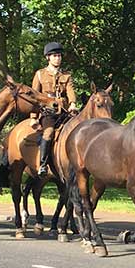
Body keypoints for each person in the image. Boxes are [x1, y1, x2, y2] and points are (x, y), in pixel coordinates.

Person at [30, 42, 77, 175]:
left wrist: (72, 103)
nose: (58, 58)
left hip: (64, 111)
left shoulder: (66, 75)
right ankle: (43, 165)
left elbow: (70, 91)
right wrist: (33, 117)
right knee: (49, 133)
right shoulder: (40, 74)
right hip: (47, 112)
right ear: (48, 58)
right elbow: (34, 98)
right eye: (55, 56)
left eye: (59, 56)